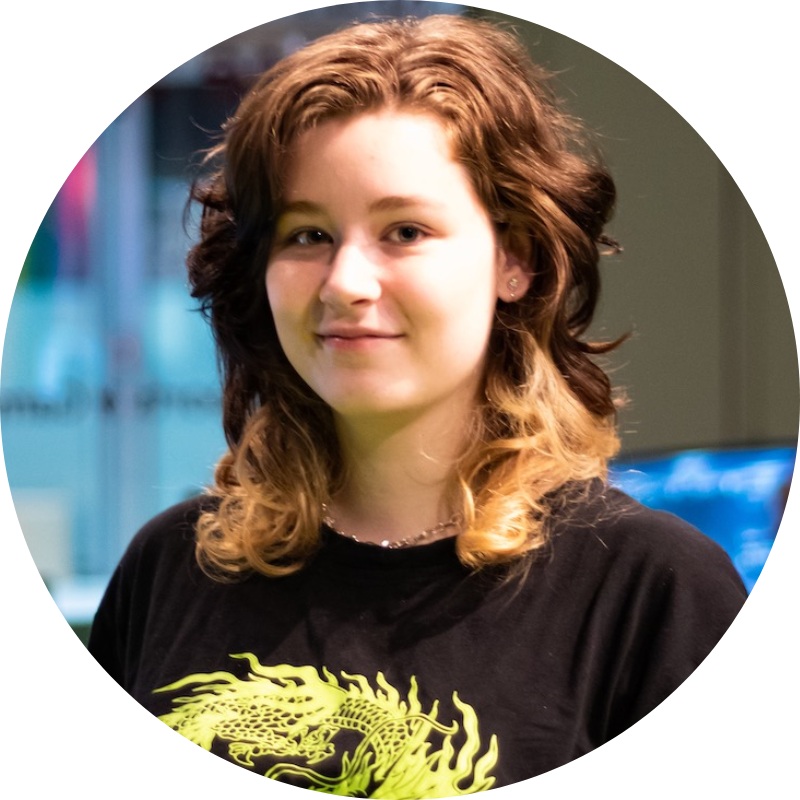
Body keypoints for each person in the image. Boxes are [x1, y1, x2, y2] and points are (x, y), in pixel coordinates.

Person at [88, 14, 747, 796]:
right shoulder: (169, 570)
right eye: (306, 236)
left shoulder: (654, 592)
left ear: (518, 259)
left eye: (404, 230)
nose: (345, 284)